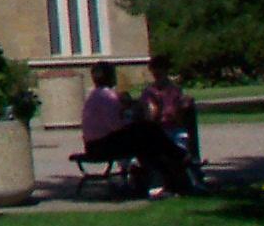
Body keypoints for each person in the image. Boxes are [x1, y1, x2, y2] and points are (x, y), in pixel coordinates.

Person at [81, 60, 190, 196]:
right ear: (109, 76)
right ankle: (178, 161)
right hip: (103, 145)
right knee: (148, 130)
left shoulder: (93, 95)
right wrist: (131, 119)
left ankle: (162, 180)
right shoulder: (107, 96)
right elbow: (116, 126)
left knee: (147, 143)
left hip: (92, 145)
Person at [141, 56, 197, 164]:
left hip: (169, 129)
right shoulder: (153, 92)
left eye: (159, 70)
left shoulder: (152, 92)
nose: (156, 73)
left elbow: (151, 115)